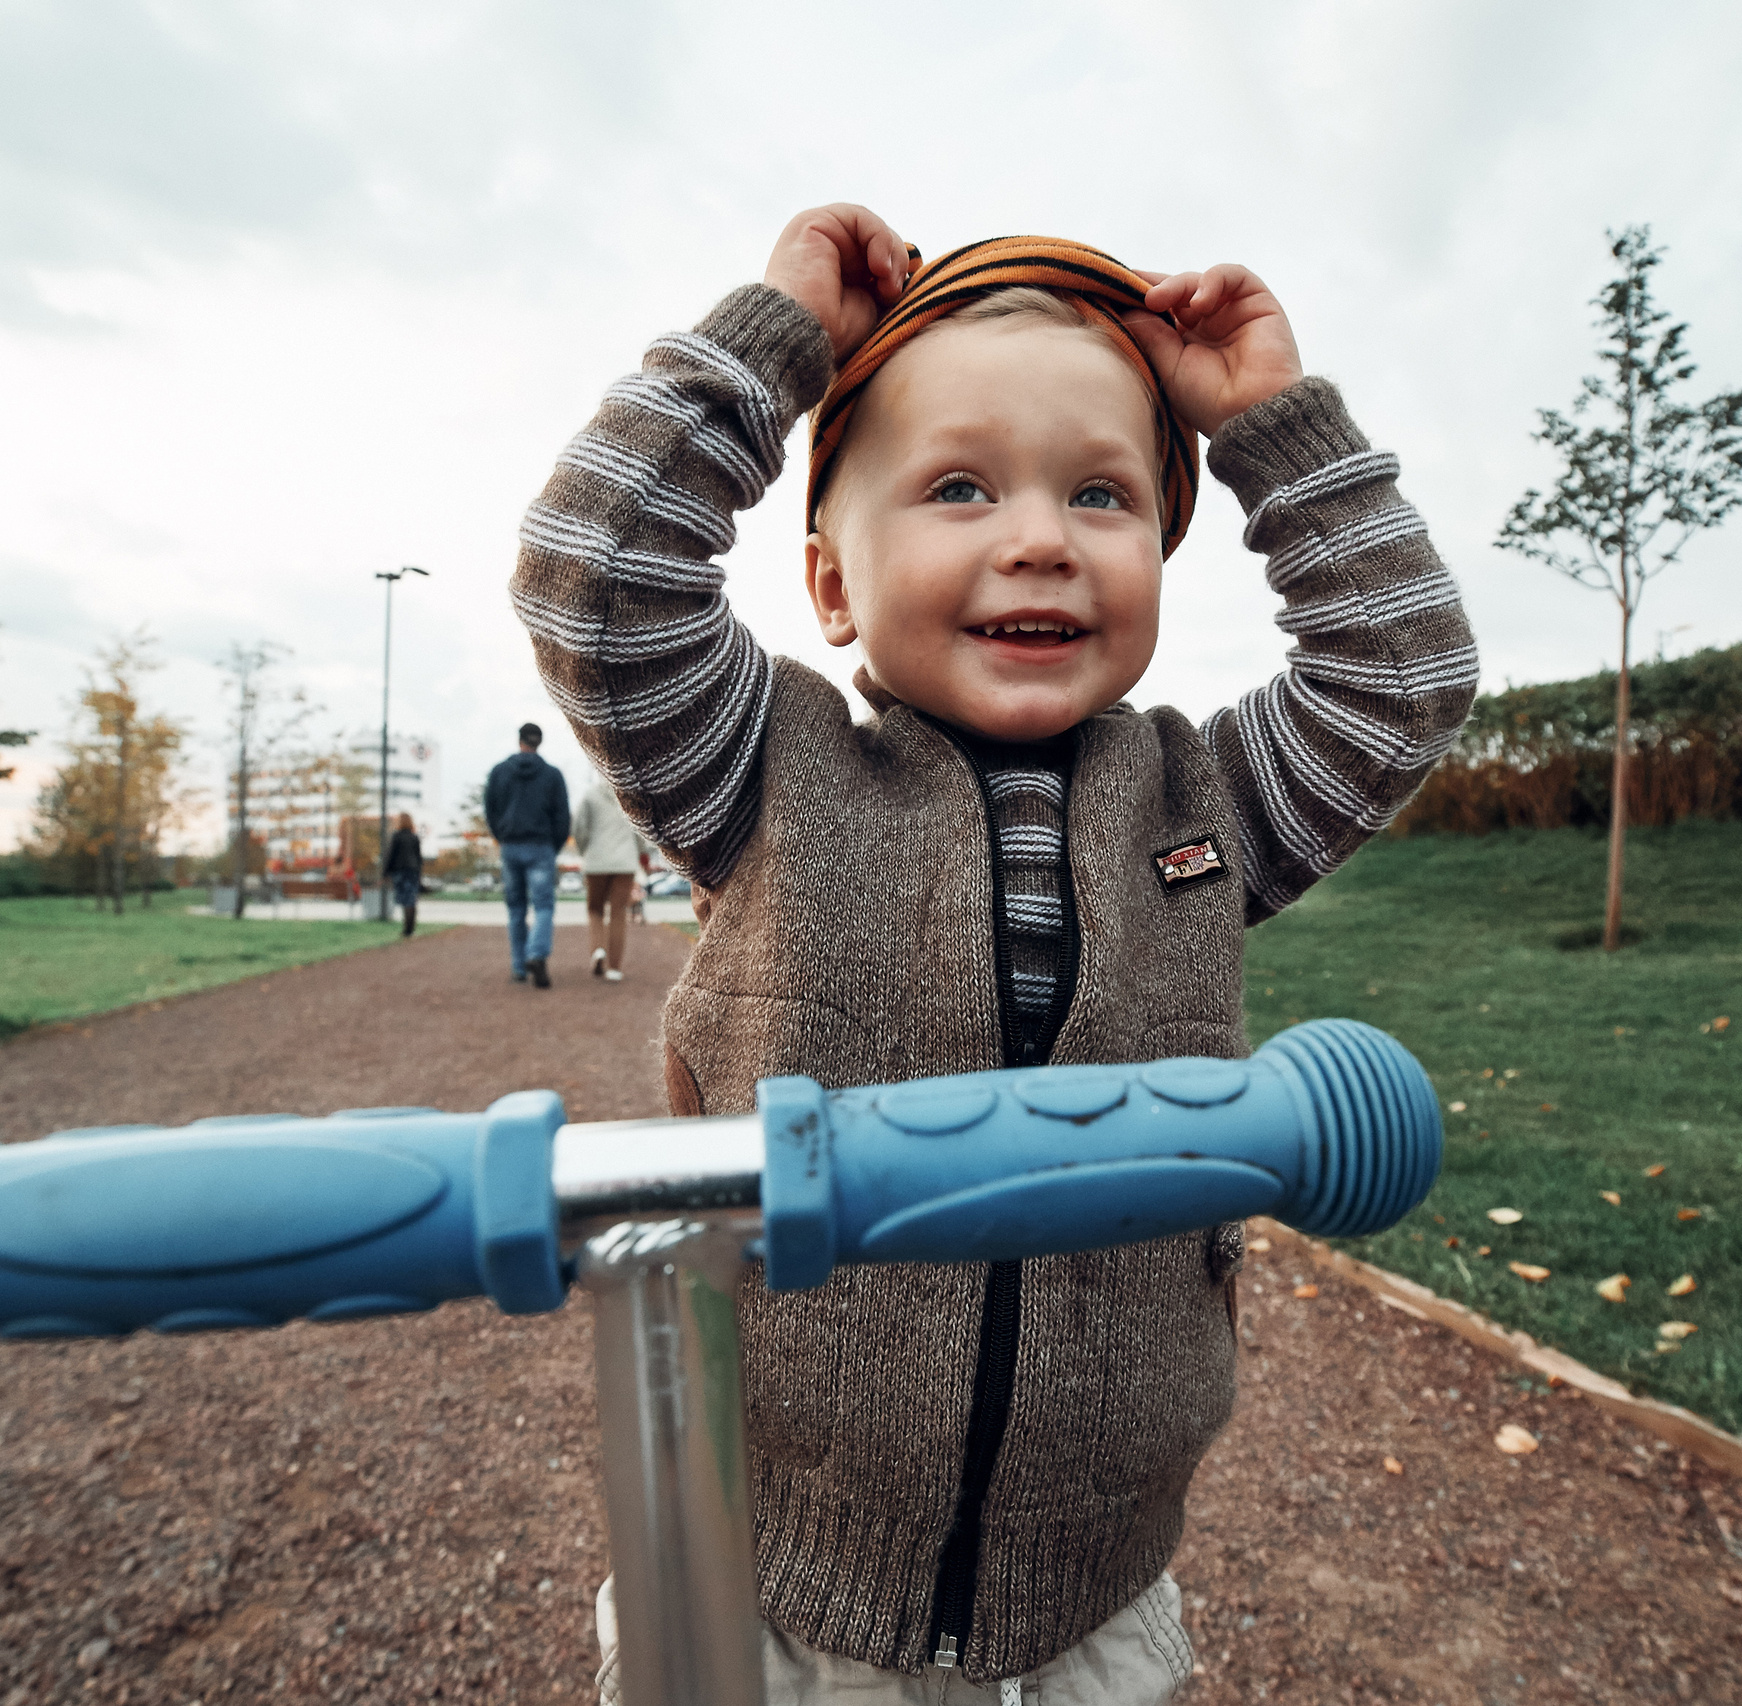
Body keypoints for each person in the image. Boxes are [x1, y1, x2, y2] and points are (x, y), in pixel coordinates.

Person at [514, 208, 1476, 1702]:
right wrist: (774, 345)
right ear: (831, 584)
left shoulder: (1206, 807)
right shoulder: (762, 778)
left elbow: (1403, 672)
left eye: (1103, 495)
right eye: (959, 486)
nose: (1039, 534)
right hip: (774, 1590)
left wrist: (1274, 427)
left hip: (1092, 1595)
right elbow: (597, 576)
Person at [484, 721, 570, 986]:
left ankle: (519, 966)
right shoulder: (553, 775)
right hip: (541, 845)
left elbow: (490, 809)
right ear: (539, 742)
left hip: (510, 845)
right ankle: (536, 953)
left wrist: (502, 835)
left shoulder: (499, 772)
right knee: (543, 906)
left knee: (516, 908)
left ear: (519, 740)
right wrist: (552, 846)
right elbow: (562, 817)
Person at [570, 778, 650, 981]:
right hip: (625, 862)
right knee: (618, 912)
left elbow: (579, 828)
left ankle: (598, 949)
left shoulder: (590, 796)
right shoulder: (630, 796)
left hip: (596, 862)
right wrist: (643, 854)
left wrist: (584, 851)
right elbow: (641, 829)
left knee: (595, 909)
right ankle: (614, 968)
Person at [382, 811, 425, 937]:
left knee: (405, 900)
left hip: (400, 872)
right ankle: (410, 929)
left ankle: (407, 930)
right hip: (413, 872)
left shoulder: (397, 836)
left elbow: (391, 856)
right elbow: (419, 858)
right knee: (411, 899)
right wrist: (419, 875)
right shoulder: (414, 837)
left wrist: (385, 874)